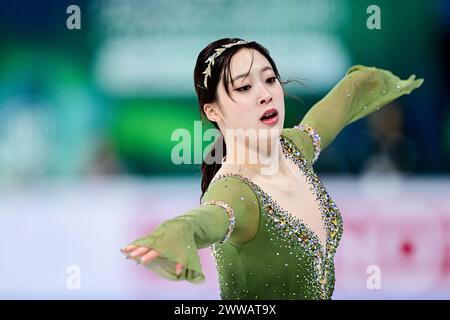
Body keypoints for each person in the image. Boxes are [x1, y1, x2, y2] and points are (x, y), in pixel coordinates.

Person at [120, 38, 423, 300]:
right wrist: (179, 230)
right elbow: (207, 219)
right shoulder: (235, 189)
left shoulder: (293, 150)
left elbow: (332, 112)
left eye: (269, 79)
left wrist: (363, 83)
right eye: (244, 87)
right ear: (213, 111)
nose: (265, 94)